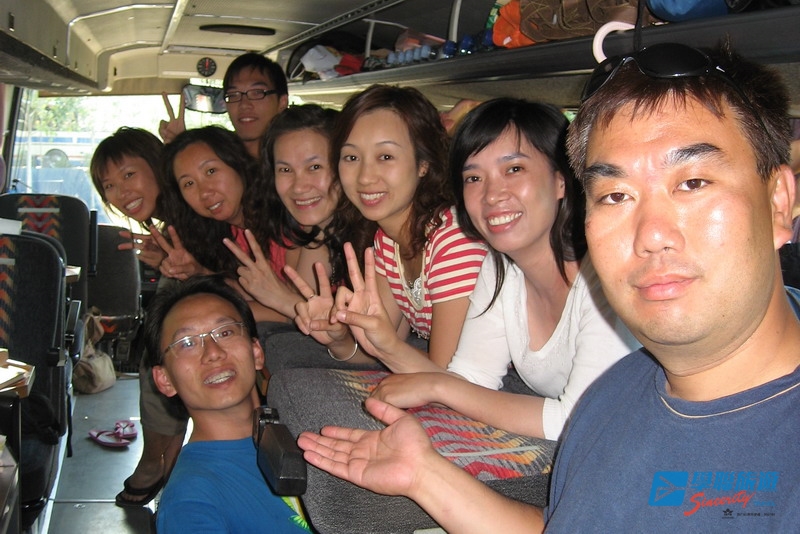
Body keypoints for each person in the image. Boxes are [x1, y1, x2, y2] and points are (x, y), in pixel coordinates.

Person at [297, 42, 800, 532]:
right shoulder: (621, 392)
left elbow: (488, 394)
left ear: (780, 202)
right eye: (616, 195)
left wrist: (433, 384)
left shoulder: (613, 365)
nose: (651, 234)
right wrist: (424, 475)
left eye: (692, 183)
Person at [367, 98, 639, 440]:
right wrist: (386, 345)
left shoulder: (605, 277)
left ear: (561, 179)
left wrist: (438, 386)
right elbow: (470, 380)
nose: (492, 194)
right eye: (474, 177)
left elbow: (577, 420)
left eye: (514, 169)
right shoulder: (500, 271)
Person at [292, 84, 488, 369]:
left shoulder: (454, 240)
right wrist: (338, 337)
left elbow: (448, 376)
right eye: (351, 158)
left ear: (423, 163)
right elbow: (379, 350)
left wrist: (390, 347)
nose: (365, 177)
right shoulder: (387, 242)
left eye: (385, 157)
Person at [89, 127, 202, 507]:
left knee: (159, 358)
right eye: (109, 185)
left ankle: (157, 462)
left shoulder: (189, 212)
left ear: (157, 166)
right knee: (157, 352)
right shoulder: (169, 220)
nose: (120, 193)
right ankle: (163, 461)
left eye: (128, 175)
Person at [145, 275, 310, 533]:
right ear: (164, 380)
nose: (213, 353)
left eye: (225, 332)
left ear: (256, 352)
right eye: (187, 343)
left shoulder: (308, 425)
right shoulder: (190, 505)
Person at [160, 125, 303, 323]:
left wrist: (219, 312)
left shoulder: (289, 219)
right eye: (188, 184)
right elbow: (252, 293)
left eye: (211, 171)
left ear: (238, 164)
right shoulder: (232, 232)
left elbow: (295, 311)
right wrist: (198, 272)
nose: (204, 192)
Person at [224, 104, 344, 325]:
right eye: (285, 170)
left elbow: (374, 339)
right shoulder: (320, 231)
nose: (299, 187)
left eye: (314, 167)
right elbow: (305, 309)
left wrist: (280, 297)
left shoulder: (381, 235)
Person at [159, 52, 288, 159]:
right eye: (234, 95)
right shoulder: (220, 160)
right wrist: (180, 145)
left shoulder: (293, 157)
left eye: (257, 93)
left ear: (282, 103)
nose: (244, 104)